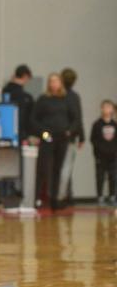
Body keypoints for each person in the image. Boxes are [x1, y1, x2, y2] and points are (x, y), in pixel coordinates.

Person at [31, 74, 80, 210]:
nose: (53, 83)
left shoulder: (67, 99)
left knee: (57, 169)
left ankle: (54, 200)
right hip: (48, 137)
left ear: (61, 83)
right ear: (48, 83)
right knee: (43, 169)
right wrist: (43, 133)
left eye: (56, 81)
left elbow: (75, 118)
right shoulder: (43, 99)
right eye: (51, 81)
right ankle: (37, 199)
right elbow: (33, 120)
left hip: (62, 138)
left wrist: (70, 131)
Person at [59, 67, 85, 205]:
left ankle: (63, 196)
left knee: (62, 168)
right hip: (69, 136)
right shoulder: (74, 96)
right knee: (66, 168)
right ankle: (63, 196)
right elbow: (78, 118)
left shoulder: (61, 95)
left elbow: (77, 118)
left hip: (63, 135)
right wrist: (81, 137)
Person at [90, 100, 117, 206]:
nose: (107, 109)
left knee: (113, 176)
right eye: (105, 107)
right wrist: (101, 149)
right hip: (100, 156)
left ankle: (112, 196)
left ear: (113, 109)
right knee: (100, 176)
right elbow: (93, 139)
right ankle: (100, 196)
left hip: (113, 156)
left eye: (109, 107)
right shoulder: (97, 124)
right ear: (101, 109)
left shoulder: (115, 124)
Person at [2, 64, 34, 139]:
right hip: (21, 133)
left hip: (5, 131)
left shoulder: (5, 92)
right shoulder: (26, 97)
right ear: (25, 76)